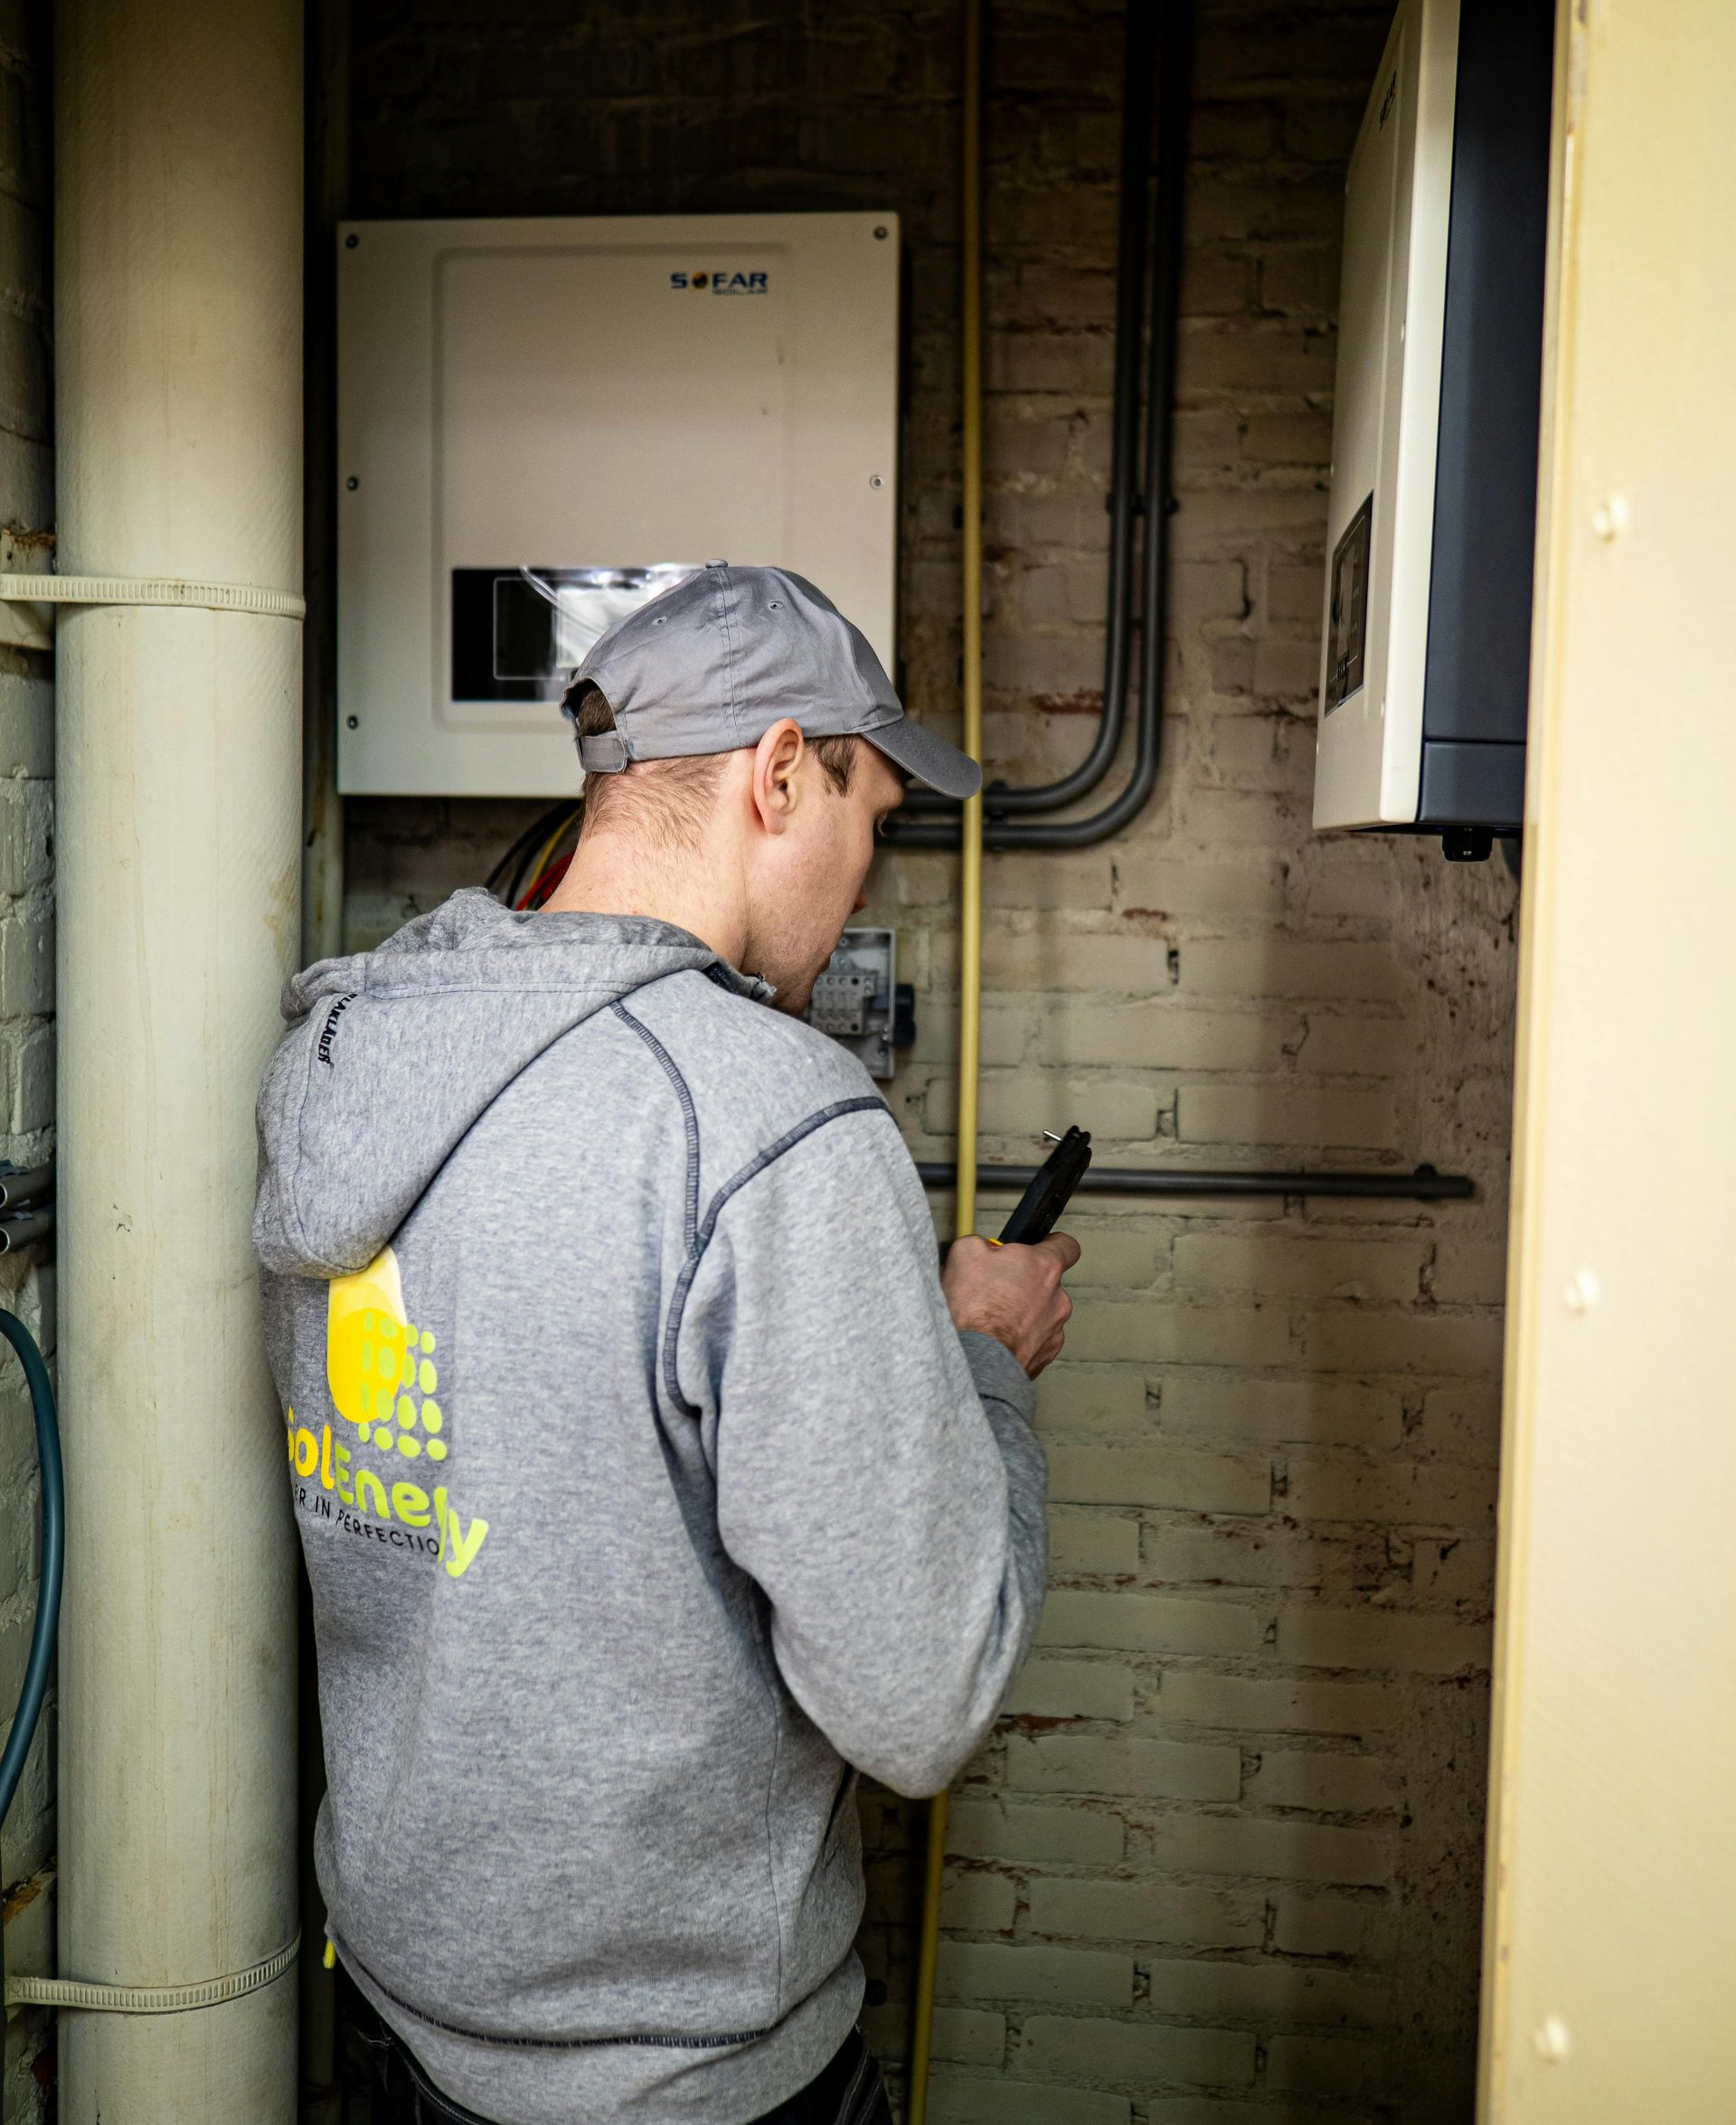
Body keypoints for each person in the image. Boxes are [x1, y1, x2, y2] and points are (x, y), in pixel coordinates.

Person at [254, 562, 1080, 2125]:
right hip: (686, 2082)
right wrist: (977, 1361)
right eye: (874, 819)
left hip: (391, 2028)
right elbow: (926, 1697)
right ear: (781, 772)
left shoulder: (350, 1053)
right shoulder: (769, 1124)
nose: (867, 876)